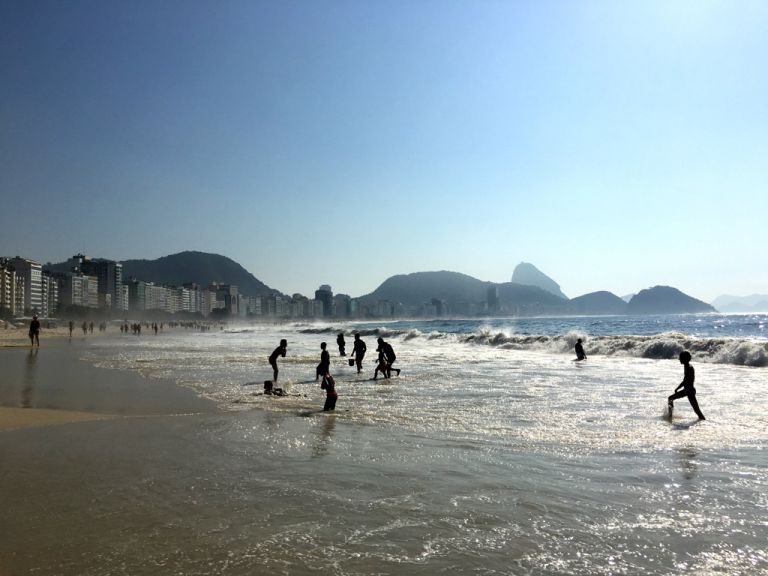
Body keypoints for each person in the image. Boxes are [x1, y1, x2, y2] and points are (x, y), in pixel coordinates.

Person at [668, 351, 706, 420]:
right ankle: (670, 416)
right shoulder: (686, 366)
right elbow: (685, 381)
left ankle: (704, 422)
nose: (679, 359)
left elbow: (685, 381)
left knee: (697, 410)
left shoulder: (689, 367)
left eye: (680, 358)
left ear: (684, 359)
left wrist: (677, 388)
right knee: (670, 398)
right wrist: (678, 388)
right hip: (687, 390)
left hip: (689, 391)